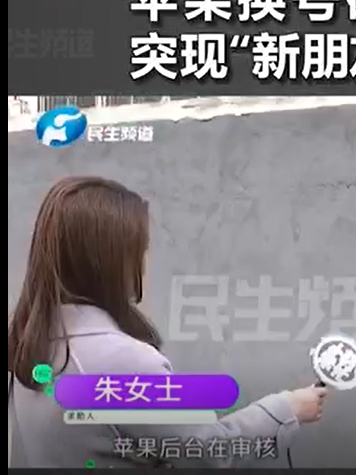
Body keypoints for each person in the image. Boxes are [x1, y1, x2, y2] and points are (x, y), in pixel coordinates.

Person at [8, 176, 328, 468]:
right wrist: (286, 409)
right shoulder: (122, 362)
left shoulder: (31, 348)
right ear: (110, 260)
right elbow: (208, 451)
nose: (143, 263)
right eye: (140, 250)